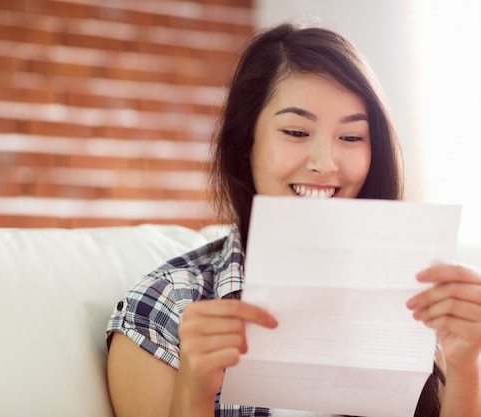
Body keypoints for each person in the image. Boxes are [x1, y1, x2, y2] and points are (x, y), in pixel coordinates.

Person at [105, 22, 481, 417]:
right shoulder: (162, 310)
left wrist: (465, 366)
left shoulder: (420, 301)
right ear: (245, 141)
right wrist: (195, 391)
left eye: (351, 137)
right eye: (297, 131)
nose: (325, 164)